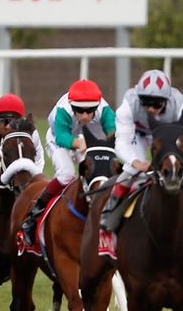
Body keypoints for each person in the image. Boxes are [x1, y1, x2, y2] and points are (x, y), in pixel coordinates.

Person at [100, 69, 183, 233]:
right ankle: (110, 210)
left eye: (156, 104)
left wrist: (182, 158)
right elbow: (122, 143)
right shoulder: (128, 106)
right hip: (138, 135)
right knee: (132, 169)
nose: (150, 109)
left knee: (176, 167)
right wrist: (137, 162)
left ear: (167, 100)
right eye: (145, 102)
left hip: (166, 137)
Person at [20, 79, 115, 247]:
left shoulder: (105, 110)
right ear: (72, 106)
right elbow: (62, 137)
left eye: (90, 111)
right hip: (59, 140)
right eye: (80, 110)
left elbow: (114, 134)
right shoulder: (62, 111)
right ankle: (34, 214)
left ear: (97, 106)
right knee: (67, 174)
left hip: (87, 140)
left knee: (97, 172)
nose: (85, 115)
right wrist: (79, 143)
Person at [0, 93, 45, 170]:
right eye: (4, 121)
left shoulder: (30, 130)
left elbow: (38, 158)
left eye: (12, 121)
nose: (8, 126)